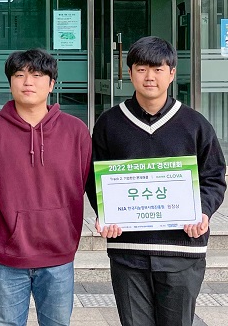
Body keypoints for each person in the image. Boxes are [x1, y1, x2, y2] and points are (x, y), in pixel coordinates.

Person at [86, 36, 226, 326]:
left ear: (172, 73)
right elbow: (93, 176)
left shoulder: (194, 124)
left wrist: (202, 210)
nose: (149, 76)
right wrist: (104, 212)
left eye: (158, 69)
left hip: (182, 248)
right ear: (129, 73)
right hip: (129, 250)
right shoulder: (110, 123)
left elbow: (214, 176)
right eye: (141, 68)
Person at [0, 49, 92, 326]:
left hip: (58, 251)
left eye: (37, 75)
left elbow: (81, 180)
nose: (27, 82)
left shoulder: (76, 131)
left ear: (51, 84)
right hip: (5, 254)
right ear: (9, 82)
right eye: (19, 75)